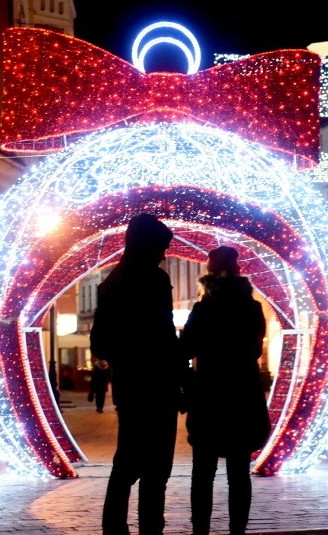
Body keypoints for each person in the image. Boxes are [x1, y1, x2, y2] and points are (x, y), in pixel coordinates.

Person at [89, 213, 186, 535]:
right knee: (156, 468)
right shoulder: (154, 280)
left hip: (129, 385)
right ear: (149, 246)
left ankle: (114, 528)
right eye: (161, 248)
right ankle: (150, 530)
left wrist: (123, 361)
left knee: (127, 462)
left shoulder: (110, 283)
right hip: (157, 384)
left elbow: (100, 343)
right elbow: (164, 335)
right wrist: (182, 376)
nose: (163, 255)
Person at [180, 246, 270, 535]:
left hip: (209, 396)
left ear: (209, 275)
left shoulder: (203, 309)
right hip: (242, 395)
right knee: (238, 474)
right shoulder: (252, 308)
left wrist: (188, 383)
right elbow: (255, 349)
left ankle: (200, 532)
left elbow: (186, 349)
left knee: (202, 474)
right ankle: (237, 532)